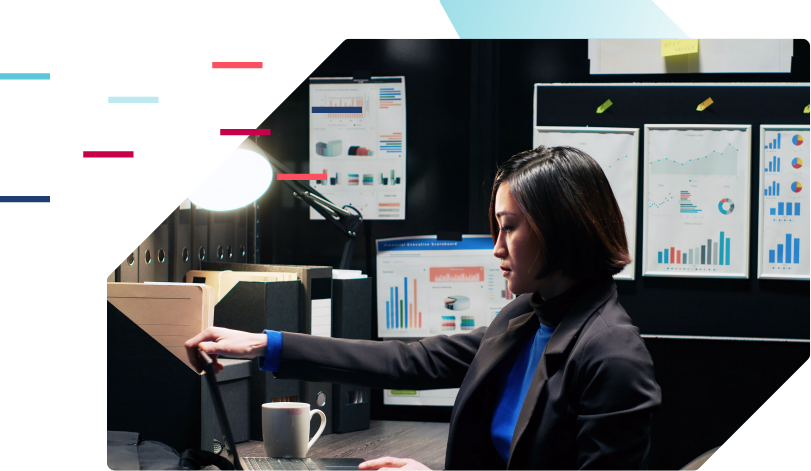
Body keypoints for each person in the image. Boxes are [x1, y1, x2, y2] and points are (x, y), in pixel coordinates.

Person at [186, 146, 662, 471]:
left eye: (509, 227)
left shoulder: (613, 357)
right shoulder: (525, 316)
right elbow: (409, 360)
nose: (496, 248)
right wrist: (262, 343)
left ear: (562, 229)